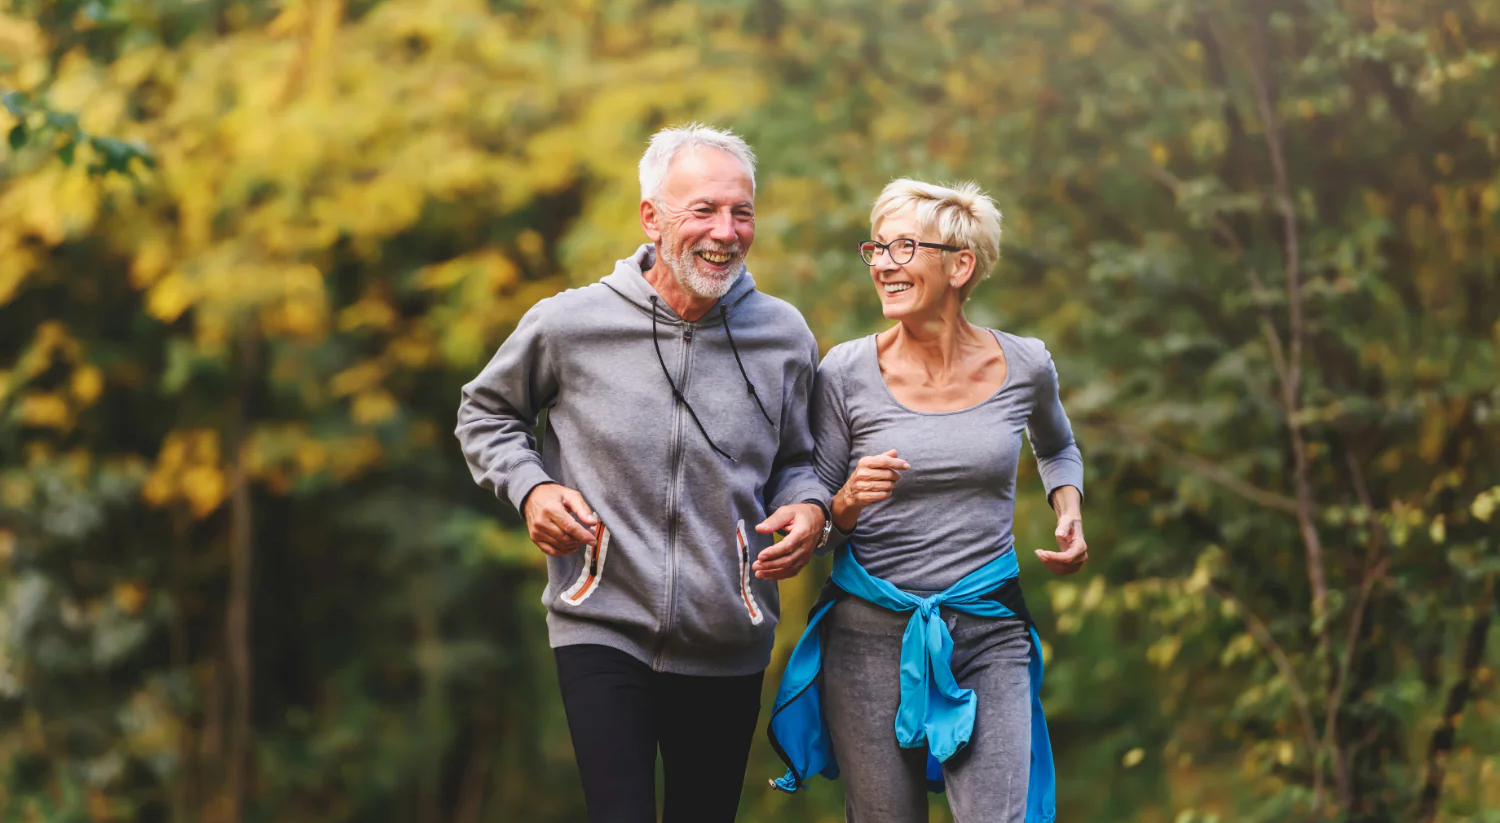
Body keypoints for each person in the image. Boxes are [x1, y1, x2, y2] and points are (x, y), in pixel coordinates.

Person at [455, 124, 831, 823]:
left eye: (741, 211)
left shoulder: (784, 335)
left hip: (731, 633)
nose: (726, 231)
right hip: (601, 621)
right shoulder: (570, 324)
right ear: (651, 218)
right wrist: (531, 486)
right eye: (704, 210)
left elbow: (802, 460)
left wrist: (811, 508)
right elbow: (485, 413)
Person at [766, 179, 1088, 823]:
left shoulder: (1026, 364)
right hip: (867, 638)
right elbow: (821, 518)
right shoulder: (845, 372)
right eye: (876, 247)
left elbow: (1056, 447)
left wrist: (1069, 507)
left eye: (904, 247)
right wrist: (849, 498)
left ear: (959, 265)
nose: (883, 263)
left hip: (989, 628)